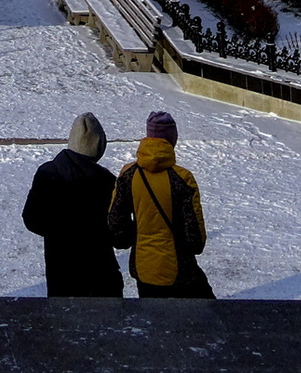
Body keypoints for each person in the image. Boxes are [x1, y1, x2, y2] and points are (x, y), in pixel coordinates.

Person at [108, 111, 212, 299]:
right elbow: (195, 240)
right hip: (179, 270)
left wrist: (138, 236)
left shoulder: (128, 174)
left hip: (143, 267)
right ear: (172, 140)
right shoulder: (182, 178)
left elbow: (116, 227)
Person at [22, 114, 122, 298]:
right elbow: (119, 235)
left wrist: (60, 232)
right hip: (101, 276)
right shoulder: (107, 181)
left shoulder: (47, 173)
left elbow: (31, 219)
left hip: (61, 273)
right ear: (99, 147)